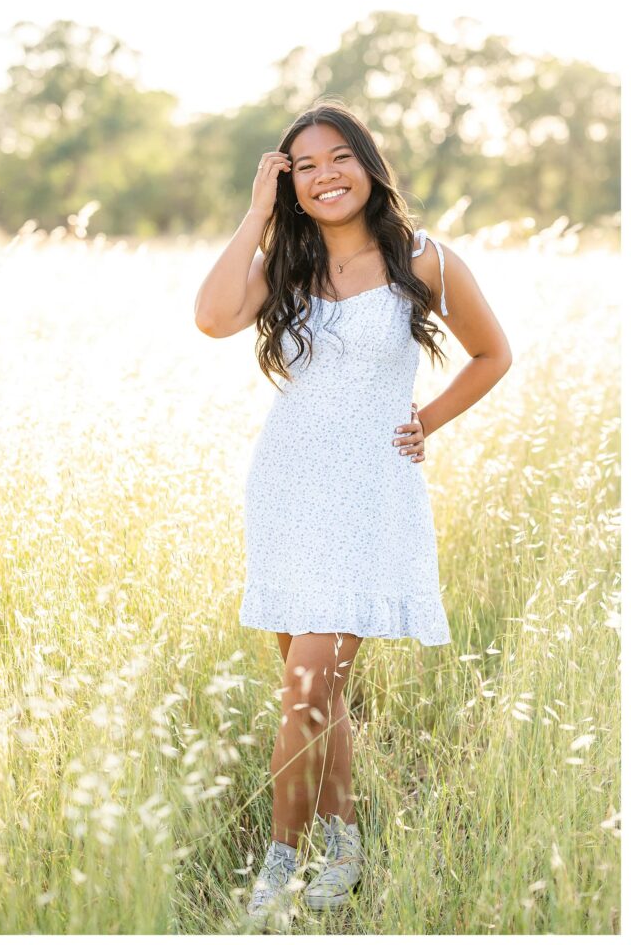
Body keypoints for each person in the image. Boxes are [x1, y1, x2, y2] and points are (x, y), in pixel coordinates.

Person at [194, 100, 512, 930]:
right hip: (288, 486)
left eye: (340, 157)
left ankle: (281, 862)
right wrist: (255, 216)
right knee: (316, 696)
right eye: (304, 166)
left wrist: (426, 422)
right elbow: (212, 317)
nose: (325, 175)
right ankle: (341, 841)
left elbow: (492, 353)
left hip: (370, 492)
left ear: (368, 165)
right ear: (288, 181)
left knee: (307, 688)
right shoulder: (286, 264)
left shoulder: (423, 259)